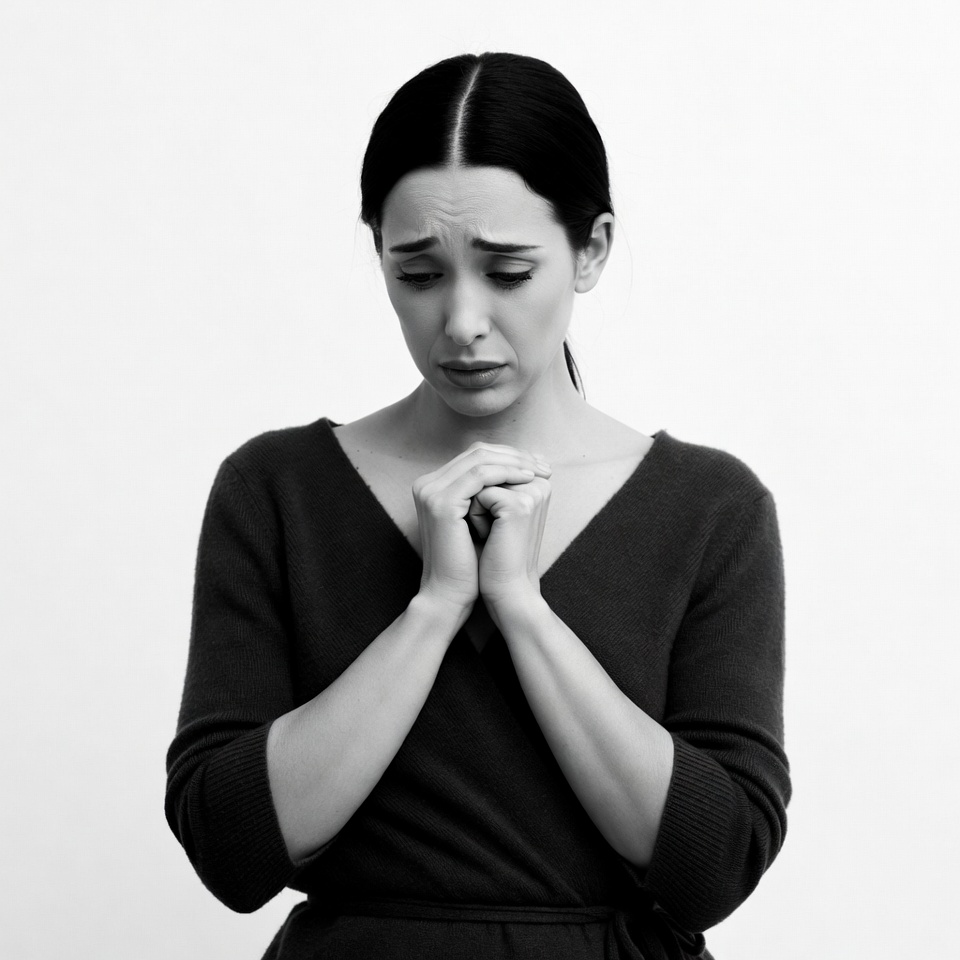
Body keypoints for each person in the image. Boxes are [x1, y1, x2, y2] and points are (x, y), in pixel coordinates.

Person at [165, 52, 790, 960]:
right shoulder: (277, 490)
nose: (460, 322)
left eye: (506, 272)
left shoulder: (709, 508)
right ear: (377, 251)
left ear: (592, 251)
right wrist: (434, 606)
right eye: (418, 274)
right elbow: (232, 851)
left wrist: (523, 610)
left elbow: (714, 867)